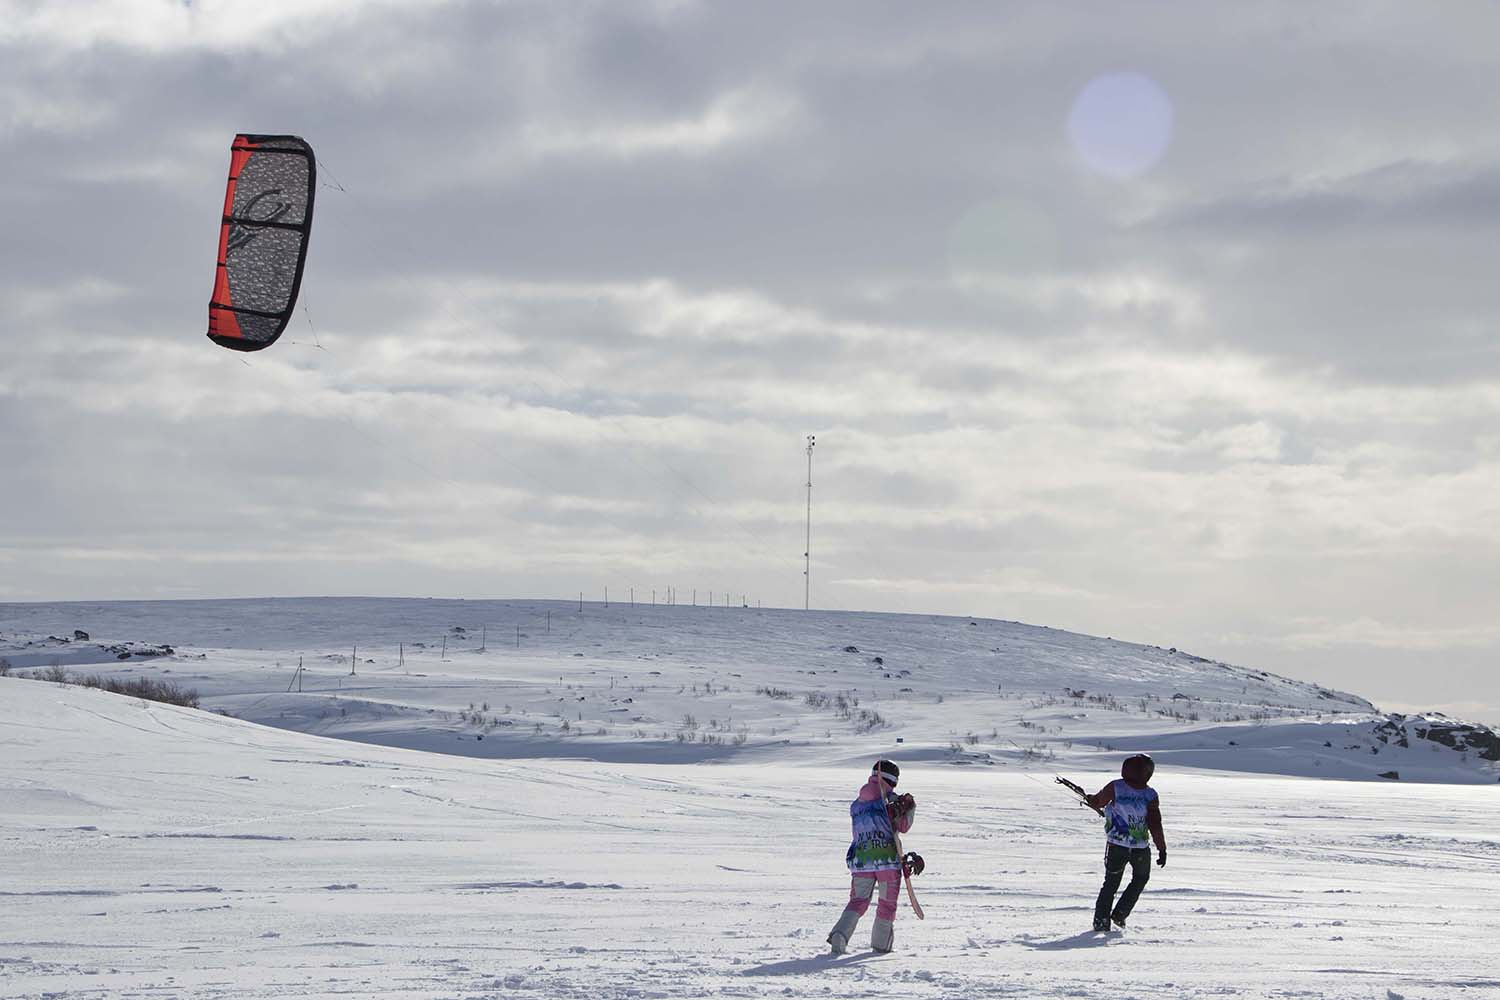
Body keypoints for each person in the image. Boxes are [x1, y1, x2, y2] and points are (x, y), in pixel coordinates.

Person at [827, 759, 916, 954]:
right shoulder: (892, 801)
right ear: (892, 780)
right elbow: (903, 826)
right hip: (887, 862)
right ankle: (881, 945)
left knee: (858, 901)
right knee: (886, 903)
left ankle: (840, 935)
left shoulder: (857, 804)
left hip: (861, 860)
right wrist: (910, 809)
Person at [1086, 753, 1166, 932]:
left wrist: (1091, 800)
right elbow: (1155, 824)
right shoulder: (1150, 794)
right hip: (1140, 849)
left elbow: (1098, 802)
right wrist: (1162, 849)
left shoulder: (1116, 787)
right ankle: (1120, 913)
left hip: (1117, 846)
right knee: (1140, 878)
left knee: (1111, 884)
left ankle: (1101, 922)